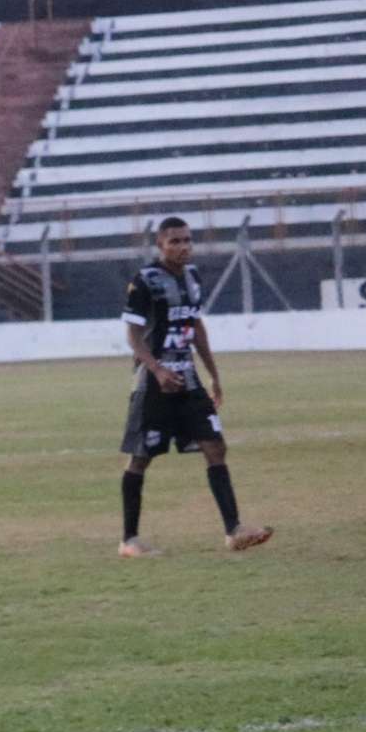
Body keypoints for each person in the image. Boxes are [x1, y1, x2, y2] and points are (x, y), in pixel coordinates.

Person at [118, 216, 272, 557]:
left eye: (187, 240)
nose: (183, 246)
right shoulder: (145, 281)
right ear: (160, 245)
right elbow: (132, 335)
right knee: (141, 458)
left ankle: (234, 531)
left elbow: (195, 326)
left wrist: (214, 373)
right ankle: (129, 540)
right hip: (154, 384)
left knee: (215, 447)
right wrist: (157, 370)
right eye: (175, 241)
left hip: (188, 379)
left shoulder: (193, 276)